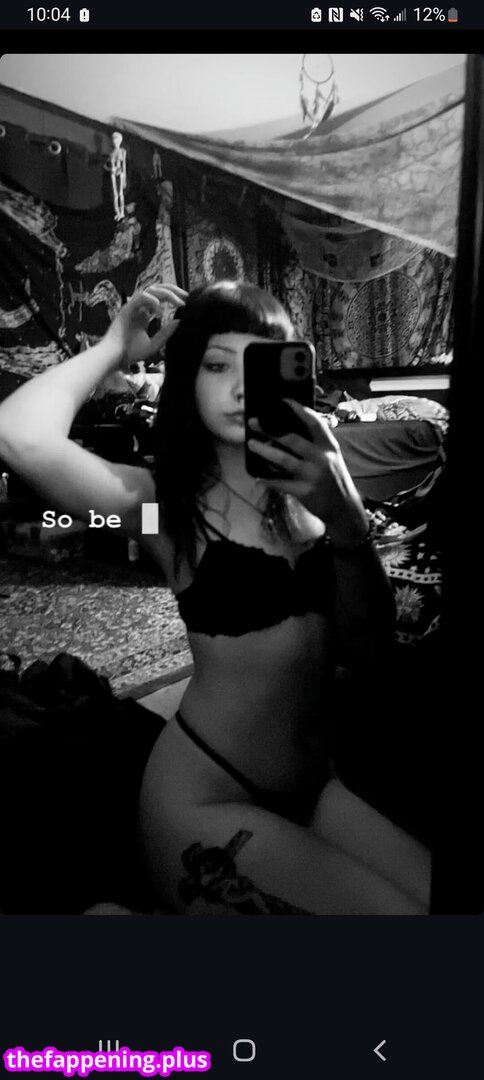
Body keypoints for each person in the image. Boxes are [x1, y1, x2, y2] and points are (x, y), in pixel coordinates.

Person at [0, 281, 431, 915]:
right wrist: (114, 347)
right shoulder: (163, 514)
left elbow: (371, 651)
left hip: (318, 785)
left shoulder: (322, 493)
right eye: (217, 365)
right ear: (187, 377)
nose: (240, 388)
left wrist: (348, 520)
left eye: (260, 365)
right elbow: (17, 435)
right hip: (205, 796)